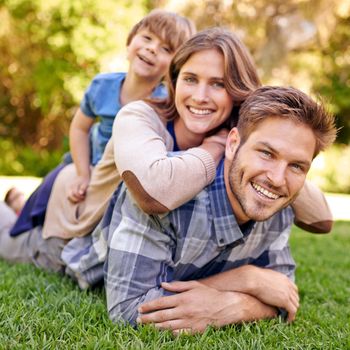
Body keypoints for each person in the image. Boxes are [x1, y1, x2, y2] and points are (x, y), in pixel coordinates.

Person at [60, 28, 333, 289]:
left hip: (122, 245)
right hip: (72, 228)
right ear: (174, 81)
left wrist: (279, 159)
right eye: (190, 79)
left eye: (218, 84)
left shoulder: (240, 137)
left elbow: (321, 221)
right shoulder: (139, 117)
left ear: (238, 92)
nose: (200, 97)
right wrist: (215, 148)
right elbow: (154, 195)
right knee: (20, 232)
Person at [104, 86, 337, 333]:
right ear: (233, 143)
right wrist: (246, 280)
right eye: (267, 153)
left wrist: (234, 305)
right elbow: (128, 309)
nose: (278, 179)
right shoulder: (169, 198)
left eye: (297, 166)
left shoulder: (280, 206)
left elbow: (283, 296)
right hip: (71, 244)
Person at [8, 9, 196, 237]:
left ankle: (17, 201)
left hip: (119, 175)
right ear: (129, 44)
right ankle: (18, 208)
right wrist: (82, 173)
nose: (152, 48)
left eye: (165, 48)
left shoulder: (167, 101)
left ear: (174, 67)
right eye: (147, 38)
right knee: (42, 199)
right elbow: (79, 128)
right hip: (89, 158)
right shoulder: (101, 86)